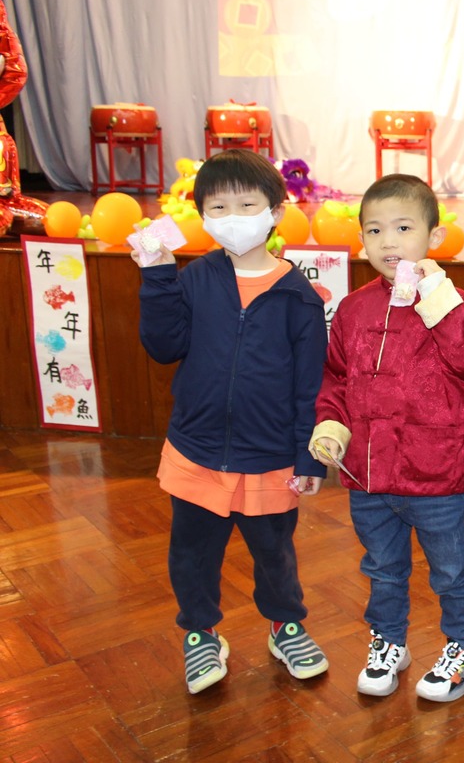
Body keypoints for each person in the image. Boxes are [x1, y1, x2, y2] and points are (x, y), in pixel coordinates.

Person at [135, 149, 330, 695]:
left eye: (247, 205)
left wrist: (308, 456)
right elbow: (164, 346)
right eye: (219, 207)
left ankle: (285, 624)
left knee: (274, 553)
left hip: (269, 455)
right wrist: (157, 277)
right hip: (196, 450)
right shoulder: (196, 278)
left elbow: (309, 387)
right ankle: (200, 632)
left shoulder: (299, 298)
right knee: (192, 553)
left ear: (276, 211)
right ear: (202, 215)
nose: (234, 217)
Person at [310, 173, 464, 702]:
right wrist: (331, 425)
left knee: (451, 571)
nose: (388, 241)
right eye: (374, 230)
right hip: (368, 475)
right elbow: (335, 377)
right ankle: (389, 642)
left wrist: (439, 299)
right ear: (361, 239)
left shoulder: (451, 301)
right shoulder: (353, 308)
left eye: (402, 228)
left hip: (434, 473)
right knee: (382, 569)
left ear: (434, 237)